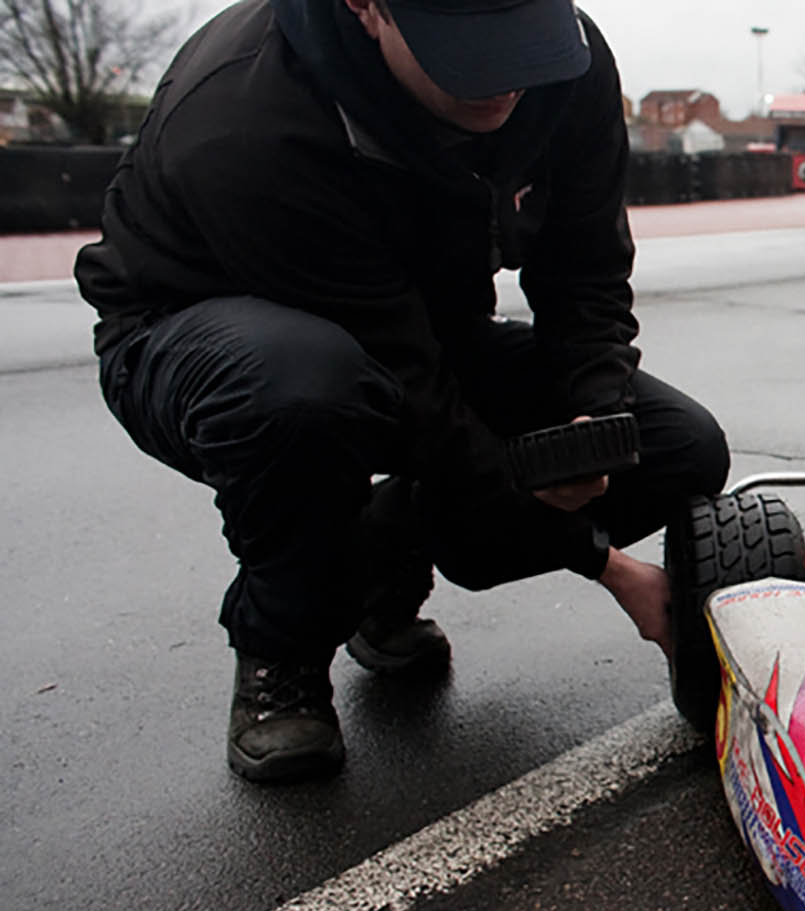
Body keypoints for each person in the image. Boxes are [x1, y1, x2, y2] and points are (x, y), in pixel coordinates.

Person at [73, 0, 727, 784]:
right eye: (472, 51)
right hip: (210, 339)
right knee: (309, 397)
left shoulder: (567, 63)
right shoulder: (247, 116)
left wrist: (597, 419)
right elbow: (403, 380)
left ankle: (383, 553)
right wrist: (602, 562)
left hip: (425, 326)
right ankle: (283, 652)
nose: (507, 80)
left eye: (525, 42)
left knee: (678, 447)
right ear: (367, 7)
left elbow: (585, 269)